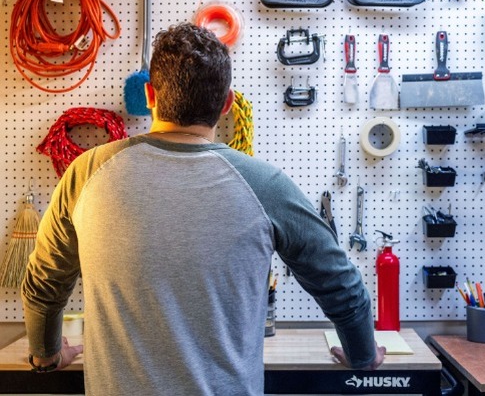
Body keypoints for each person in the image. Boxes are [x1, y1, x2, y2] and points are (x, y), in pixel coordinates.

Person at [22, 22, 385, 394]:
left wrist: (46, 353)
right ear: (226, 103)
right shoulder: (264, 184)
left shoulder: (88, 172)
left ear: (149, 94)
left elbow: (44, 281)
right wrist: (362, 355)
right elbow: (340, 282)